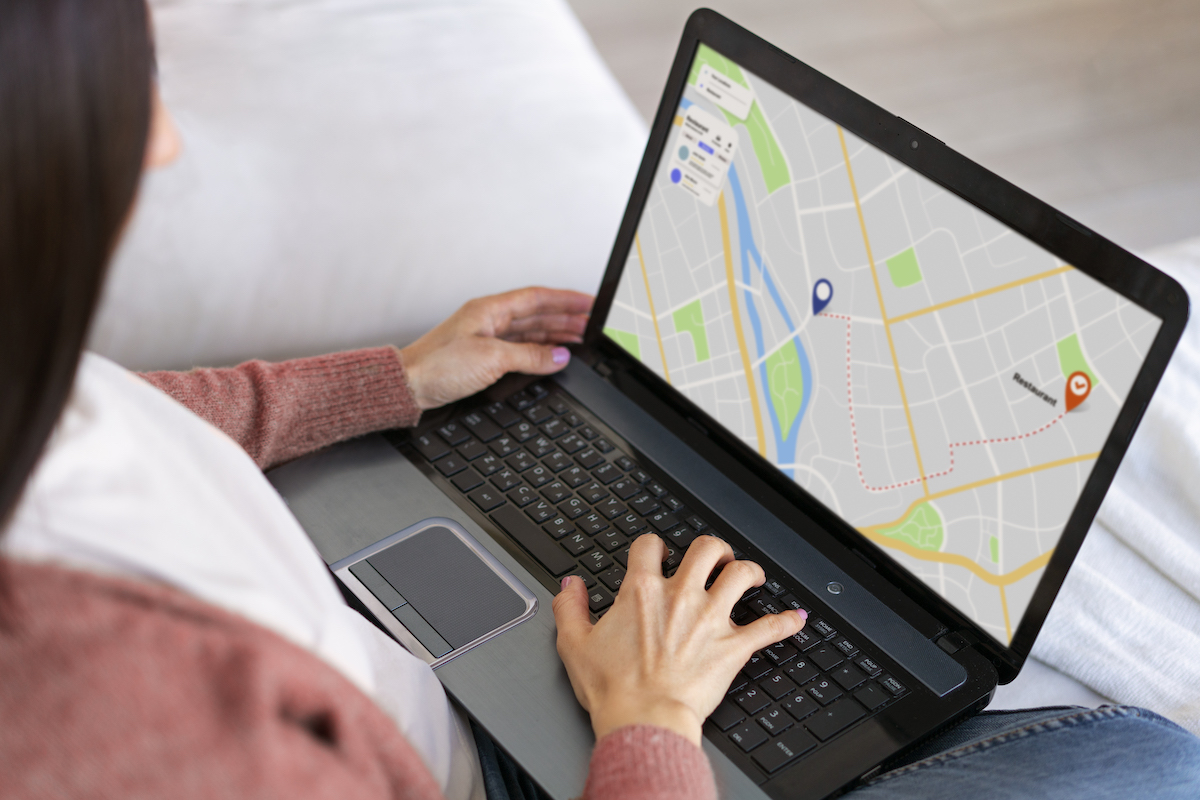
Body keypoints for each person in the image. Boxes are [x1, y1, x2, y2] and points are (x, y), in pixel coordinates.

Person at [1, 2, 1197, 799]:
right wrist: (654, 722)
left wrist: (390, 384)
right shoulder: (124, 726)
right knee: (1149, 758)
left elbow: (105, 415)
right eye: (137, 73)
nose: (159, 140)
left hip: (344, 638)